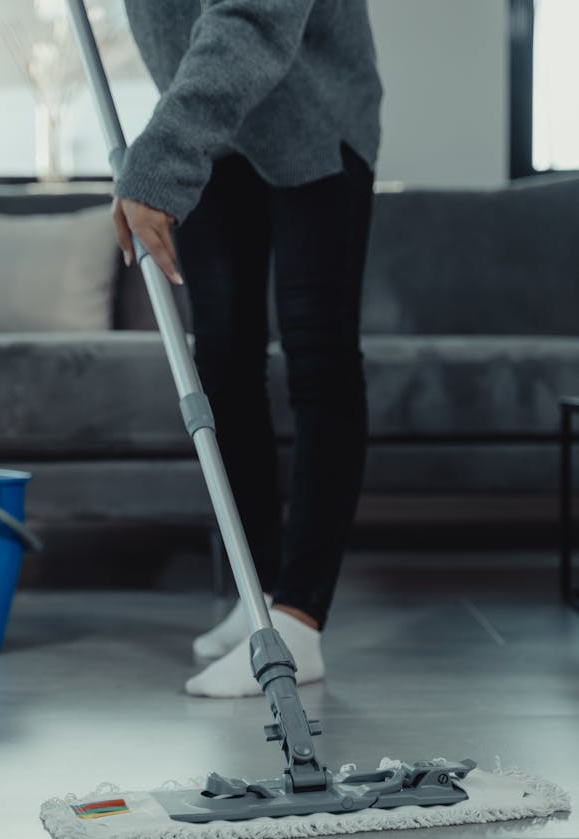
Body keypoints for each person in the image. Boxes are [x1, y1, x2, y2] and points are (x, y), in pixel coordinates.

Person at [112, 0, 383, 698]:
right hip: (217, 133)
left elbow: (253, 16)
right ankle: (257, 592)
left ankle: (299, 617)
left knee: (318, 358)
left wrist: (159, 159)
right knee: (226, 365)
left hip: (313, 119)